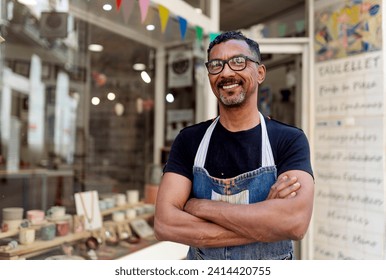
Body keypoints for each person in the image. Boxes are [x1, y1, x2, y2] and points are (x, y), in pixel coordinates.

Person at [154, 30, 314, 260]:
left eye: (238, 62)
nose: (226, 72)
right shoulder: (190, 140)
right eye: (216, 65)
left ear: (260, 73)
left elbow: (295, 223)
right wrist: (265, 224)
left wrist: (201, 207)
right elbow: (165, 224)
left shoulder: (289, 140)